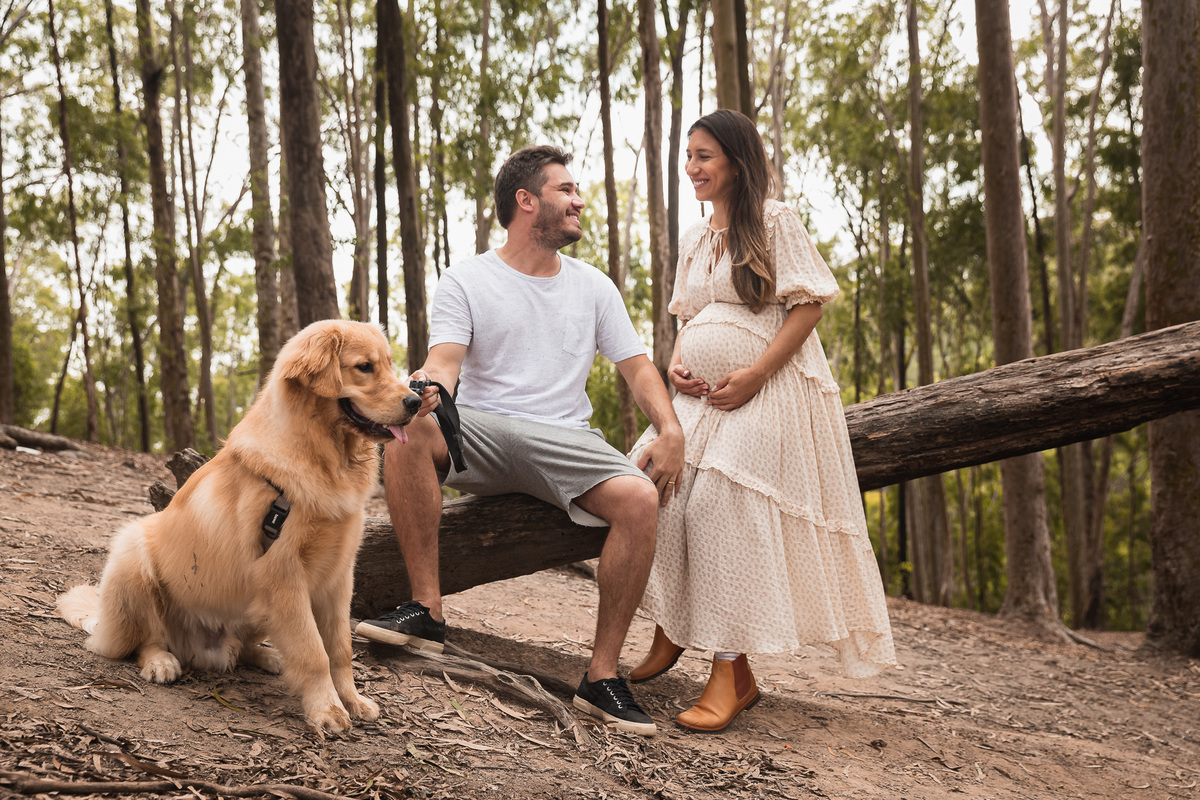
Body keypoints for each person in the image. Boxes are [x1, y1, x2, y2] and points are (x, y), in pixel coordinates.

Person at [355, 145, 685, 737]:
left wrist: (671, 428)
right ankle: (426, 611)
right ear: (526, 201)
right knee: (413, 427)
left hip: (565, 439)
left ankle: (602, 679)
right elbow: (445, 360)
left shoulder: (594, 286)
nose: (579, 200)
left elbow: (637, 368)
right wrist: (427, 387)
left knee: (639, 499)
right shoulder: (467, 278)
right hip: (486, 431)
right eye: (566, 190)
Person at [626, 109, 897, 733]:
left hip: (768, 391)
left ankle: (731, 671)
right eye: (688, 156)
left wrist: (755, 374)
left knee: (718, 505)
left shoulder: (774, 221)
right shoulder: (696, 237)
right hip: (699, 400)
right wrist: (677, 366)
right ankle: (674, 625)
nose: (691, 167)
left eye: (704, 156)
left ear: (737, 162)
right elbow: (689, 318)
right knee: (652, 486)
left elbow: (809, 306)